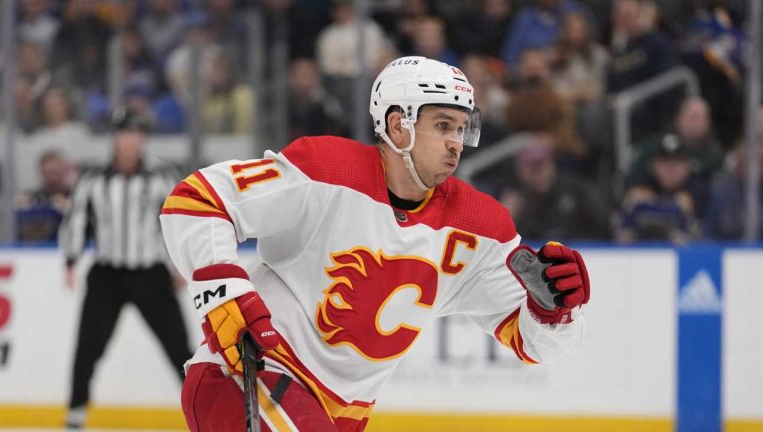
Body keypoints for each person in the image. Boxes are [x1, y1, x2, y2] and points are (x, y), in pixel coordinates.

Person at [161, 56, 591, 431]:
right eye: (442, 125)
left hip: (338, 415)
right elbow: (196, 199)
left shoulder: (479, 227)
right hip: (247, 376)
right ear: (396, 124)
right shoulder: (324, 169)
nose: (455, 142)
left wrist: (554, 310)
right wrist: (224, 297)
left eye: (461, 128)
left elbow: (535, 344)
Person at [60, 108, 192, 429]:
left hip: (151, 274)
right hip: (107, 274)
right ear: (116, 138)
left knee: (180, 349)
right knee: (88, 347)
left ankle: (201, 411)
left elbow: (179, 220)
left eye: (136, 134)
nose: (130, 141)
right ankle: (75, 413)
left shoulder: (162, 175)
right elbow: (77, 220)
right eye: (124, 134)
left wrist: (182, 266)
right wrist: (71, 260)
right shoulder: (93, 179)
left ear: (143, 138)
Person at [15, 149, 72, 243]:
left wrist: (71, 210)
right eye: (49, 172)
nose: (53, 175)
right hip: (40, 249)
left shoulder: (77, 195)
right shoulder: (31, 197)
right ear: (41, 172)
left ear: (64, 170)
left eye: (55, 171)